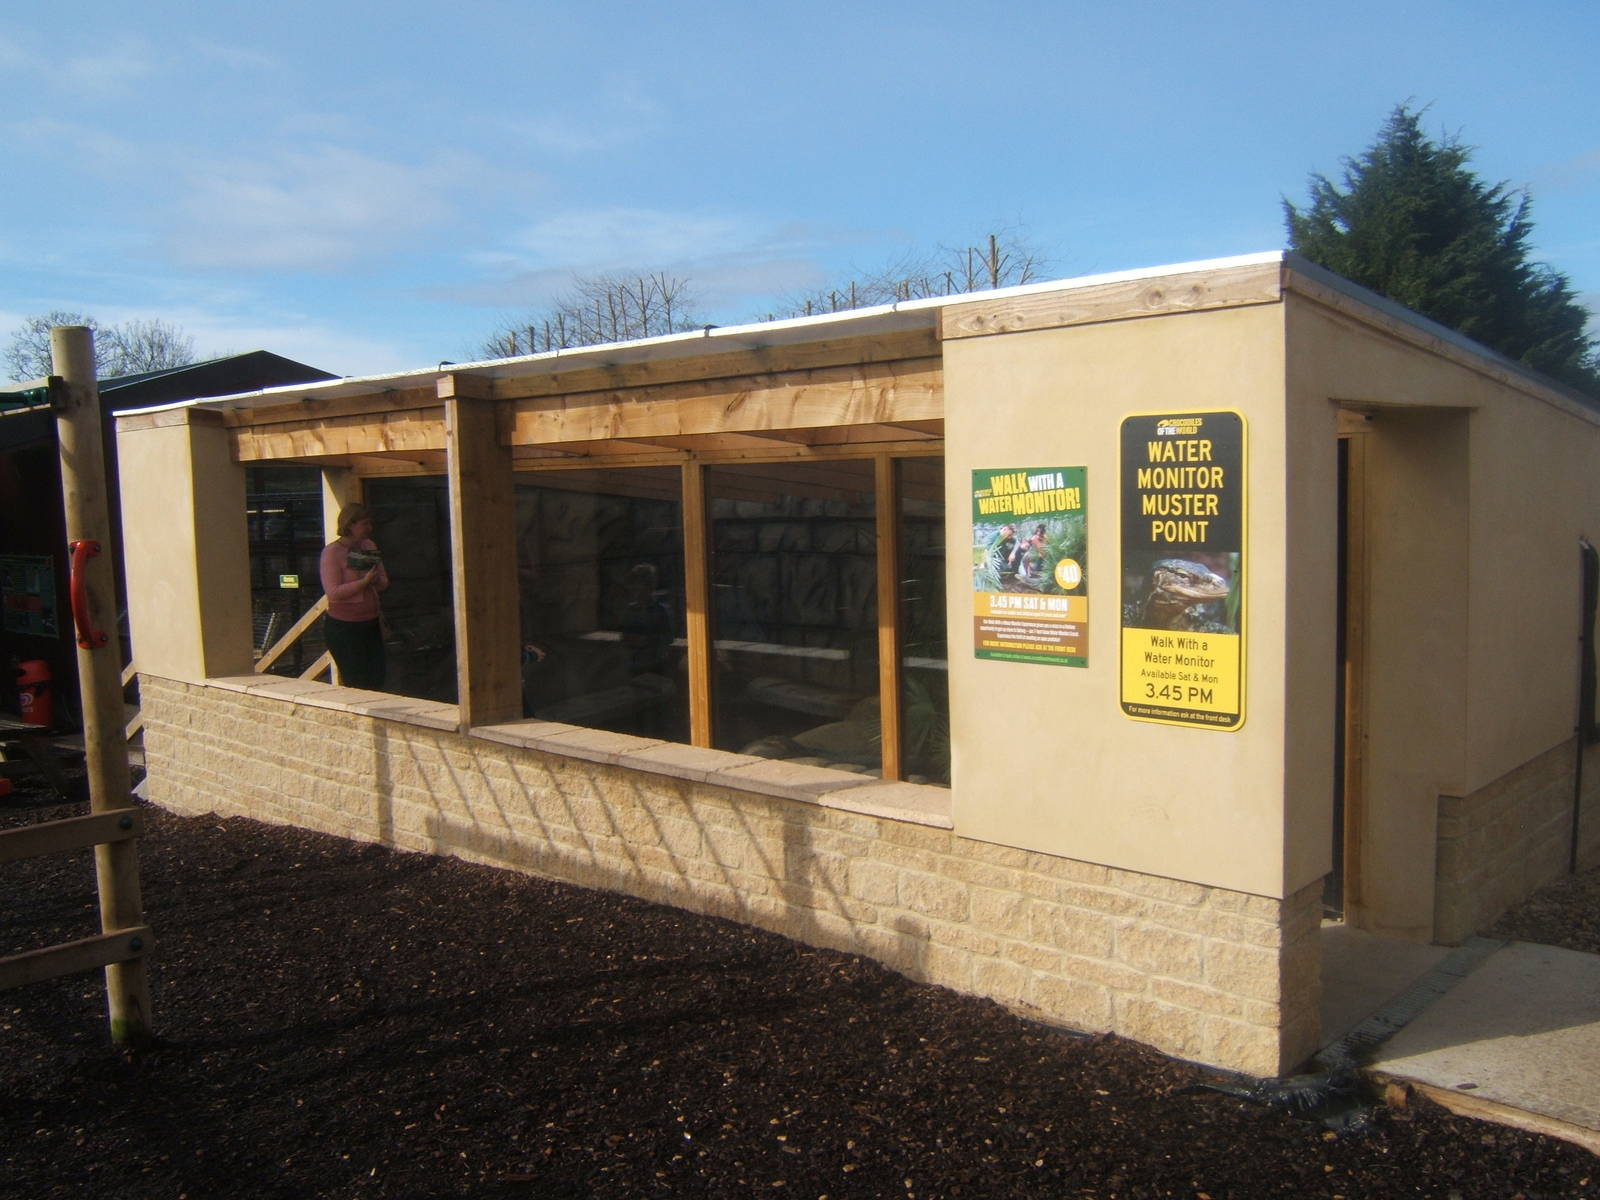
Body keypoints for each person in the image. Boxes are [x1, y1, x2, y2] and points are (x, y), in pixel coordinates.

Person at [319, 503, 389, 690]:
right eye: (364, 524)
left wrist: (374, 581)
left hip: (370, 622)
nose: (369, 529)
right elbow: (333, 592)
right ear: (350, 525)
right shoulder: (332, 552)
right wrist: (362, 583)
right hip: (345, 627)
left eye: (370, 524)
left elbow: (383, 582)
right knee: (357, 679)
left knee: (377, 676)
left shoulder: (368, 545)